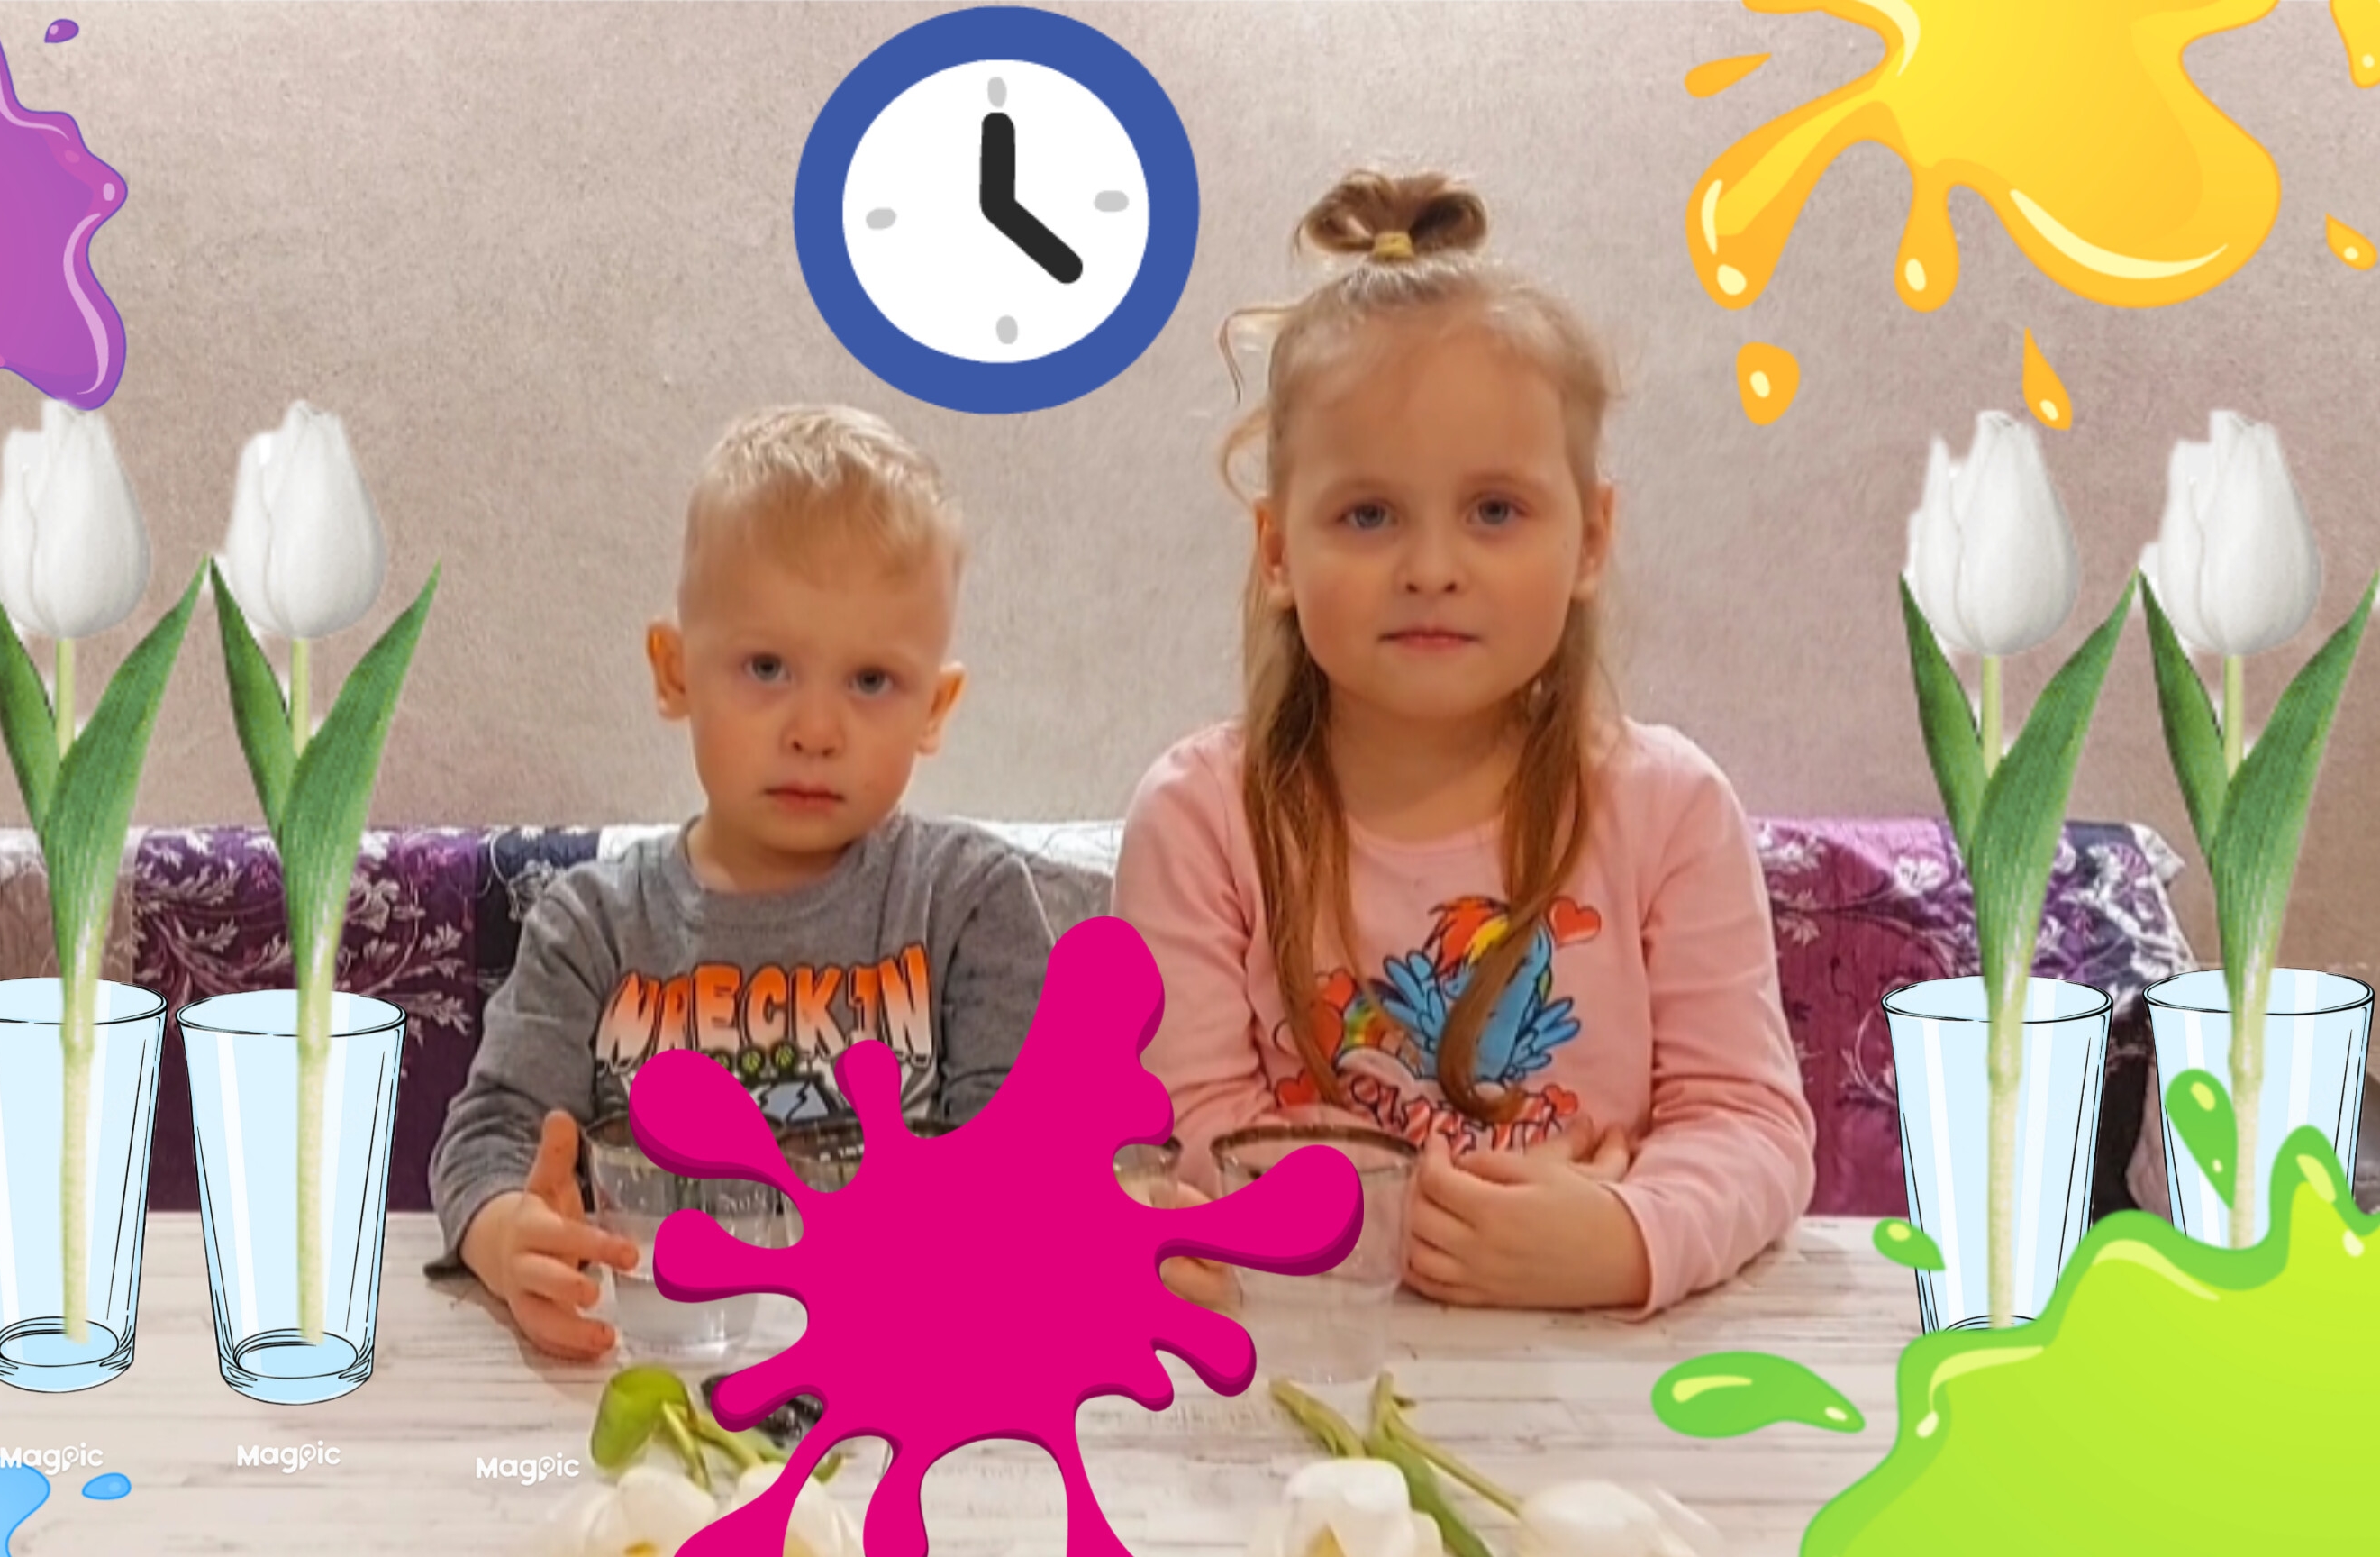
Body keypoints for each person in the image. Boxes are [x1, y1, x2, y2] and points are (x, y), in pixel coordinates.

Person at [1111, 169, 1815, 1317]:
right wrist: (1439, 1223)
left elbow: (1750, 1125)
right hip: (1301, 1375)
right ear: (1278, 551)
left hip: (1603, 1385)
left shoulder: (1671, 810)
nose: (1432, 567)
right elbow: (1184, 1141)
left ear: (1591, 539)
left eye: (1494, 510)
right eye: (1369, 514)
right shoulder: (1198, 818)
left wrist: (1627, 1236)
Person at [429, 405, 1058, 1360]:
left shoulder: (969, 904)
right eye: (767, 667)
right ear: (675, 671)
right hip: (654, 1374)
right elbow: (490, 1135)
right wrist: (511, 1233)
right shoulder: (592, 927)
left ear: (936, 706)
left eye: (872, 682)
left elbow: (1032, 1159)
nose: (816, 730)